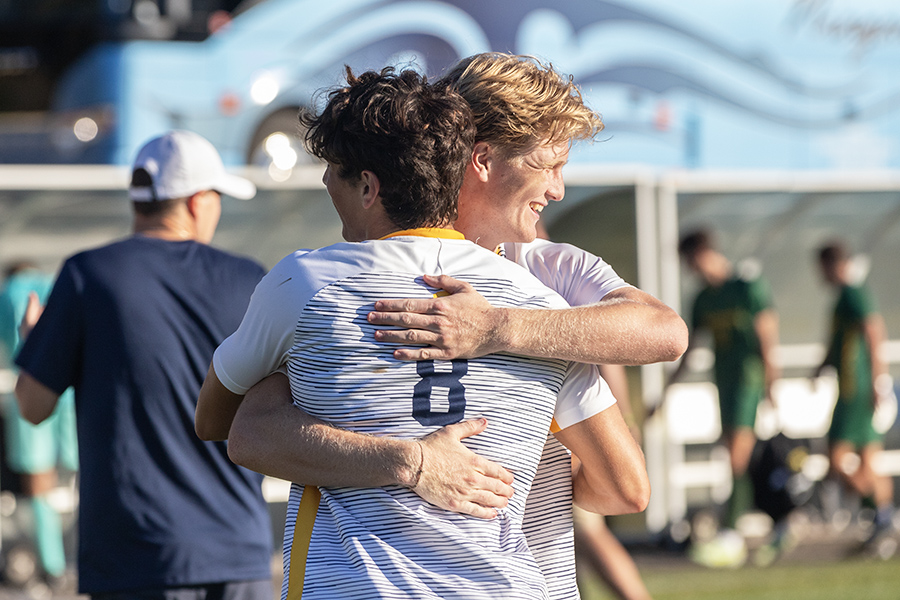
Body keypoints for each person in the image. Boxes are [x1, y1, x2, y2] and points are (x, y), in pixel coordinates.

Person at [198, 53, 681, 600]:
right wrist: (422, 461)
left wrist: (497, 328)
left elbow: (665, 333)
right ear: (480, 159)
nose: (559, 189)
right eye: (549, 164)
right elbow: (624, 485)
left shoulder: (336, 284)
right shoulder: (541, 293)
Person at [13, 130, 274, 598]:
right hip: (238, 554)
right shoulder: (249, 278)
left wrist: (36, 346)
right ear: (196, 202)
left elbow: (32, 408)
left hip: (134, 560)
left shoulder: (87, 276)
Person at [673, 228, 780, 567]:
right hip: (725, 384)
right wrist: (666, 390)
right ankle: (768, 522)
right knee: (735, 458)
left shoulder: (746, 286)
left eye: (693, 261)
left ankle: (732, 533)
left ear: (705, 254)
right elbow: (691, 349)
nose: (693, 270)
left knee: (738, 456)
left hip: (749, 383)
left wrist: (770, 384)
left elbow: (767, 334)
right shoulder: (703, 299)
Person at [0, 261, 78, 585]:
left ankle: (54, 565)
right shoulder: (60, 286)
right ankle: (80, 553)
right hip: (71, 393)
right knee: (82, 471)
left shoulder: (7, 295)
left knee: (39, 480)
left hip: (30, 387)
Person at [814, 240, 895, 552]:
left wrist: (877, 381)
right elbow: (839, 343)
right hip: (849, 389)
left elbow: (874, 333)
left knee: (836, 461)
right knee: (868, 463)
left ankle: (885, 520)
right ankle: (884, 521)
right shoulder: (841, 299)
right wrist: (821, 366)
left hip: (857, 392)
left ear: (832, 265)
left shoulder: (854, 293)